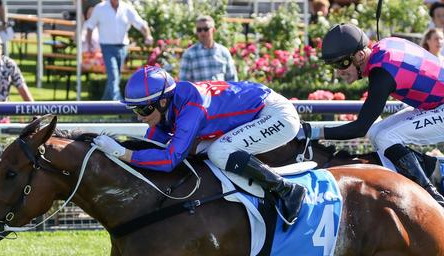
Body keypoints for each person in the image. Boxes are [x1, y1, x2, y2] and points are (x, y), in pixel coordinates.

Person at [92, 65, 307, 224]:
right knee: (201, 150)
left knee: (219, 152)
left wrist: (122, 153)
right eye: (135, 110)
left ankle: (285, 189)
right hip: (254, 111)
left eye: (143, 110)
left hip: (276, 115)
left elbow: (169, 160)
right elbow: (151, 146)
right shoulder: (169, 104)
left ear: (163, 101)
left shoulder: (191, 108)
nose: (139, 117)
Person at [309, 23, 444, 206]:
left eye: (342, 63)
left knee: (387, 136)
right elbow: (367, 130)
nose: (339, 72)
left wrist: (311, 131)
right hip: (440, 103)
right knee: (376, 133)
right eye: (333, 65)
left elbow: (359, 127)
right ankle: (397, 186)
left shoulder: (381, 73)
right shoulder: (382, 48)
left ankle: (430, 195)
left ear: (360, 55)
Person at [84, 0, 153, 101]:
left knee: (115, 78)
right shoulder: (100, 8)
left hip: (122, 48)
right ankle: (119, 105)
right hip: (107, 47)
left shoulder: (127, 8)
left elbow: (140, 24)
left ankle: (102, 106)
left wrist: (148, 35)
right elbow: (90, 26)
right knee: (113, 76)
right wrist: (90, 45)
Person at [179, 15, 237, 83]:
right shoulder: (189, 54)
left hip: (222, 93)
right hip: (199, 93)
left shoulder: (224, 52)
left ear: (213, 30)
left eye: (206, 29)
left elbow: (232, 80)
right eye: (199, 30)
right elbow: (184, 83)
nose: (202, 32)